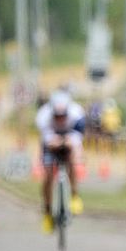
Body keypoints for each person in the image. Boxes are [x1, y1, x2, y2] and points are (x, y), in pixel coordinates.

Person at [35, 90, 86, 233]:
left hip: (70, 138)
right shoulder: (43, 117)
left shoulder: (77, 115)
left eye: (63, 116)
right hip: (51, 142)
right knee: (48, 175)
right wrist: (54, 143)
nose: (60, 119)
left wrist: (74, 151)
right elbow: (47, 142)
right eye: (57, 116)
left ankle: (75, 196)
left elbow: (77, 142)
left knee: (73, 161)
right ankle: (47, 212)